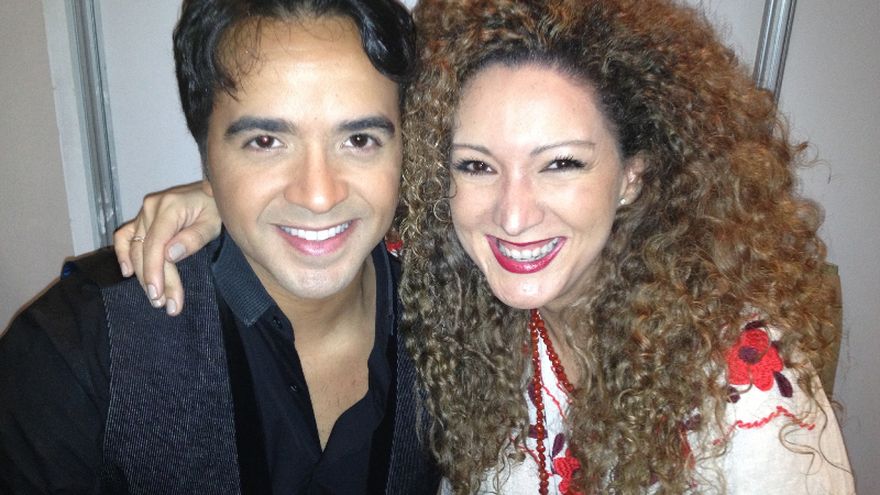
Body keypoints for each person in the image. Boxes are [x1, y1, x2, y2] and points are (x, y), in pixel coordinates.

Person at [115, 0, 856, 493]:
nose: (514, 214)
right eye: (476, 166)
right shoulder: (464, 298)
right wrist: (226, 198)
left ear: (633, 175)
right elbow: (333, 203)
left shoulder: (747, 391)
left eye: (560, 163)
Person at [0, 0, 439, 493]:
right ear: (206, 154)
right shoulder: (78, 349)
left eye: (359, 140)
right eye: (265, 142)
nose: (319, 196)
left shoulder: (450, 326)